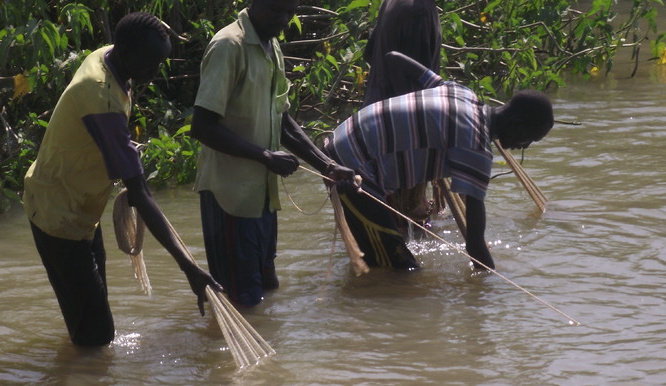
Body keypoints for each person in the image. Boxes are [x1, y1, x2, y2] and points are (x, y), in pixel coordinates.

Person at [23, 12, 222, 347]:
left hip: (77, 207)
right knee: (96, 335)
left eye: (160, 62)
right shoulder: (100, 95)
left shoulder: (107, 57)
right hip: (58, 215)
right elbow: (141, 195)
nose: (154, 72)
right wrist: (189, 268)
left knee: (91, 313)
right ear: (125, 49)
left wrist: (122, 150)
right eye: (150, 63)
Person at [190, 0, 357, 307]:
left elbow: (282, 120)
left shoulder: (272, 47)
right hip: (230, 198)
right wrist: (265, 156)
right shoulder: (229, 46)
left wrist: (326, 165)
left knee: (267, 289)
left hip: (261, 197)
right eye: (276, 10)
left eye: (289, 12)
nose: (283, 20)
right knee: (242, 300)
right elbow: (202, 126)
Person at [324, 51, 554, 271]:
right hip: (350, 167)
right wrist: (487, 292)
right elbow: (475, 244)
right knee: (401, 271)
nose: (524, 147)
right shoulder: (475, 145)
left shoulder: (463, 93)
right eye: (529, 139)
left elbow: (394, 59)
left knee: (384, 263)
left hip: (342, 137)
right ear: (518, 123)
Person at [362, 0, 442, 231]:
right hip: (401, 127)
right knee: (411, 217)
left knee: (391, 211)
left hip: (378, 118)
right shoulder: (419, 10)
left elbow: (370, 53)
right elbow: (416, 84)